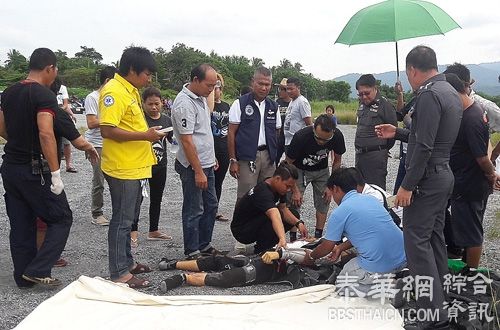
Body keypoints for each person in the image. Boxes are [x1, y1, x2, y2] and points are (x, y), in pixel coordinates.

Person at [375, 45, 463, 329]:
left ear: (412, 70)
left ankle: (433, 315)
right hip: (443, 174)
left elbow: (424, 146)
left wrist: (407, 186)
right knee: (434, 237)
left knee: (415, 242)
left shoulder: (427, 95)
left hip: (426, 178)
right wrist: (398, 132)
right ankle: (440, 297)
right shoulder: (449, 91)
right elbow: (427, 136)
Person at [0, 48, 98, 288]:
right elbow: (45, 132)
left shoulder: (9, 92)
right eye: (56, 70)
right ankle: (39, 268)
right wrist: (55, 173)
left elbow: (1, 127)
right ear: (50, 68)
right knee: (61, 218)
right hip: (35, 169)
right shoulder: (43, 95)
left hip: (10, 166)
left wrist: (19, 141)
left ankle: (23, 278)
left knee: (21, 223)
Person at [99, 46, 164, 289]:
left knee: (129, 218)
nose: (149, 79)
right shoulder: (114, 91)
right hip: (122, 167)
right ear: (132, 70)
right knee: (122, 220)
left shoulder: (130, 90)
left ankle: (127, 262)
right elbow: (107, 129)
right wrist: (145, 136)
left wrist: (148, 135)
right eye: (147, 73)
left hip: (135, 167)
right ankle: (119, 273)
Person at [302, 168, 406, 295]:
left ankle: (389, 288)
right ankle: (400, 275)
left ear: (335, 188)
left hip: (381, 263)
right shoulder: (371, 199)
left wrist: (311, 257)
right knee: (352, 263)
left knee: (343, 284)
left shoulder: (339, 212)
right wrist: (340, 247)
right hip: (404, 256)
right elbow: (368, 231)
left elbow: (327, 246)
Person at [443, 72, 500, 268]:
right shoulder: (467, 112)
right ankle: (468, 266)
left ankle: (472, 274)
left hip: (471, 184)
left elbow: (482, 157)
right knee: (467, 229)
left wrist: (491, 173)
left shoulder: (472, 117)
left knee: (472, 233)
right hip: (463, 182)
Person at [172, 63, 220, 260]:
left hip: (207, 162)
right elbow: (187, 140)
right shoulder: (184, 103)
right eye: (209, 85)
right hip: (193, 166)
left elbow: (204, 133)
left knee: (211, 205)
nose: (212, 90)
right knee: (194, 208)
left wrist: (212, 156)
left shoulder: (200, 98)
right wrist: (198, 170)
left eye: (214, 86)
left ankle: (204, 243)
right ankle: (192, 250)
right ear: (195, 80)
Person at [286, 114, 346, 239]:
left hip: (322, 170)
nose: (321, 142)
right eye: (318, 138)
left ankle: (318, 236)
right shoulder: (301, 137)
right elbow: (288, 164)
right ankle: (293, 236)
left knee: (324, 200)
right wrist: (295, 189)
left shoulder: (337, 136)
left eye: (326, 140)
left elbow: (337, 161)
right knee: (294, 202)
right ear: (313, 128)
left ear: (333, 132)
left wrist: (331, 185)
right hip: (299, 169)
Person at [228, 67, 281, 201]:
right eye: (260, 83)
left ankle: (262, 223)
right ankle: (241, 222)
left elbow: (277, 132)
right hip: (247, 159)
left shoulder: (273, 107)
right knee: (245, 197)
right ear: (253, 82)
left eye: (267, 84)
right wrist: (233, 160)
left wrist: (274, 155)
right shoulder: (240, 104)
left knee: (268, 196)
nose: (264, 88)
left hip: (268, 158)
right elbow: (231, 133)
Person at [230, 162, 307, 254]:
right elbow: (275, 215)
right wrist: (282, 239)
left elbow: (283, 209)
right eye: (287, 186)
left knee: (294, 214)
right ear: (277, 179)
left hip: (256, 220)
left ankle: (269, 245)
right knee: (274, 216)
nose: (289, 190)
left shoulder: (277, 187)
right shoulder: (263, 191)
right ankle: (262, 251)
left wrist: (298, 223)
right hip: (242, 230)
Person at [130, 87, 173, 246]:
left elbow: (172, 141)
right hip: (142, 165)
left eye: (157, 103)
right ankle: (132, 232)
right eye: (150, 104)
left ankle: (153, 230)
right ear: (143, 104)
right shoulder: (140, 119)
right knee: (137, 199)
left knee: (157, 198)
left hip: (160, 165)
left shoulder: (167, 119)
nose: (154, 107)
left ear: (162, 102)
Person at [84, 66, 116, 226]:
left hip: (111, 142)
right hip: (96, 144)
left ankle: (118, 211)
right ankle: (97, 213)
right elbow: (91, 123)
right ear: (108, 81)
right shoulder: (93, 97)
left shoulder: (113, 97)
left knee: (116, 179)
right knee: (99, 180)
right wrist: (111, 118)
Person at [354, 74, 397, 190]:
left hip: (375, 157)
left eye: (367, 93)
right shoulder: (362, 104)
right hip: (360, 156)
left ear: (375, 88)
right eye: (360, 94)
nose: (364, 97)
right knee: (360, 189)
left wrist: (382, 149)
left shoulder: (385, 105)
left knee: (375, 191)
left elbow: (393, 133)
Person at [210, 73, 231, 222]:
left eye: (219, 87)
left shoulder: (226, 106)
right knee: (208, 179)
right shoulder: (208, 105)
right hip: (211, 146)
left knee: (219, 180)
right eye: (214, 87)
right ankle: (206, 208)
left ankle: (214, 209)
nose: (217, 90)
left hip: (224, 147)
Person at [54, 77, 77, 173]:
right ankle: (54, 166)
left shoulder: (62, 88)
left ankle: (68, 165)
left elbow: (65, 104)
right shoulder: (45, 87)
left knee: (66, 142)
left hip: (60, 114)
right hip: (49, 115)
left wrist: (71, 114)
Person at [283, 77, 312, 150]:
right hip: (288, 141)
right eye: (287, 89)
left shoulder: (302, 102)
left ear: (298, 88)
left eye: (291, 89)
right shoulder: (292, 101)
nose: (289, 91)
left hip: (298, 142)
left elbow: (309, 125)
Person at [275, 78, 290, 166]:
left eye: (281, 89)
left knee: (290, 162)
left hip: (289, 137)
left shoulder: (294, 103)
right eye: (279, 89)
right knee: (274, 159)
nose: (279, 91)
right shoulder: (277, 102)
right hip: (278, 137)